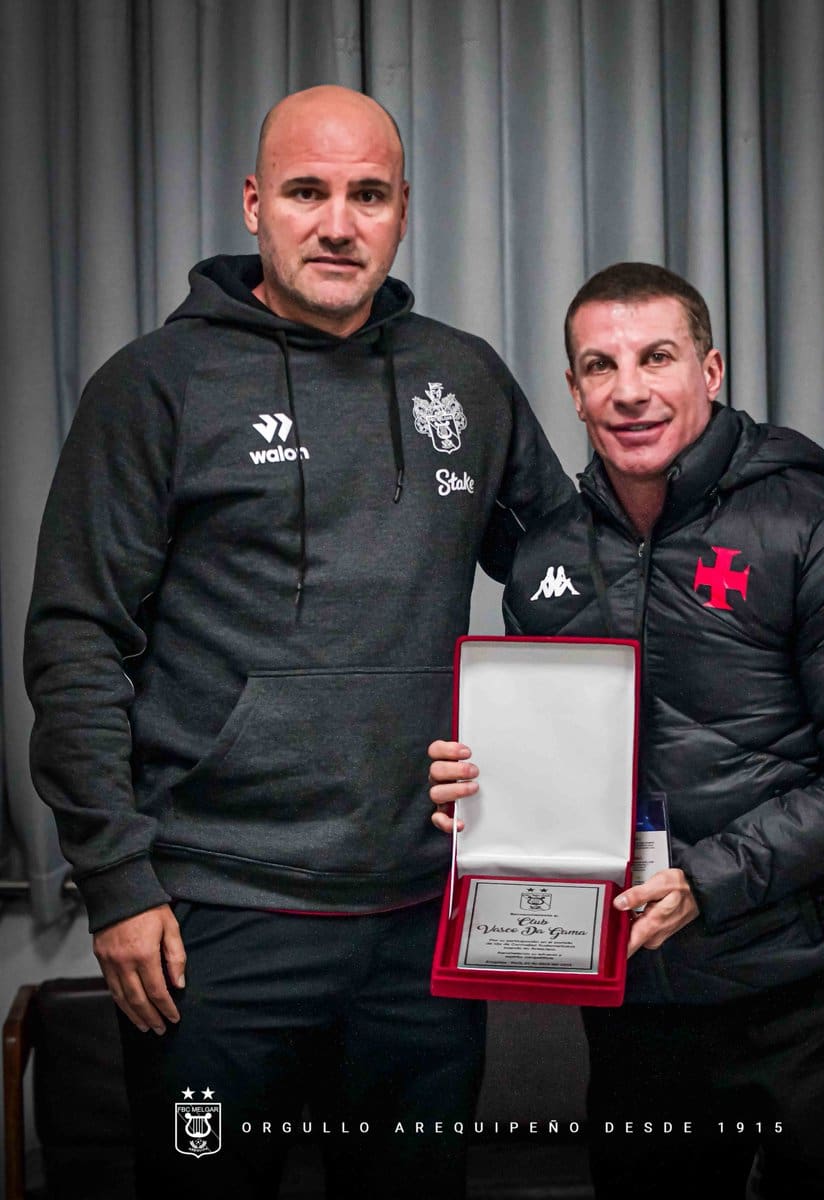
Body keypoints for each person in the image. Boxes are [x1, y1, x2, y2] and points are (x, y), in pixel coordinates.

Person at [24, 85, 573, 1200]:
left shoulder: (464, 378)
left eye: (367, 195)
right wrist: (116, 881)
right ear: (253, 204)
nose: (337, 224)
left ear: (404, 208)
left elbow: (564, 576)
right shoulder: (154, 388)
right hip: (215, 922)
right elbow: (77, 641)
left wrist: (528, 754)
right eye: (305, 192)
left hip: (420, 919)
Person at [429, 262, 824, 1199]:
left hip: (806, 995)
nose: (629, 390)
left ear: (711, 370)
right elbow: (552, 763)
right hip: (639, 1004)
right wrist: (478, 790)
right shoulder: (548, 554)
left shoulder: (823, 529)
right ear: (574, 390)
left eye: (656, 357)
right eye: (601, 365)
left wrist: (708, 881)